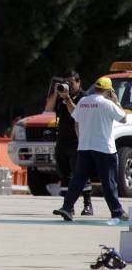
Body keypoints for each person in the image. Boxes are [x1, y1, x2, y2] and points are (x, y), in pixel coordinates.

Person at [54, 77, 129, 221]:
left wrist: (67, 99)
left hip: (85, 147)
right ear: (109, 91)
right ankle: (117, 211)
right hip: (104, 149)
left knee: (78, 180)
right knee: (108, 182)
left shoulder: (83, 101)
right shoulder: (108, 104)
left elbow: (74, 114)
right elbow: (123, 119)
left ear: (95, 88)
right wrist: (116, 101)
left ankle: (67, 208)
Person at [44, 70, 92, 214]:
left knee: (80, 172)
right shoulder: (61, 95)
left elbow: (77, 114)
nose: (69, 86)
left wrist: (67, 99)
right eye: (67, 83)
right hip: (62, 140)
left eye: (71, 83)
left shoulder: (84, 98)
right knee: (64, 173)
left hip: (77, 140)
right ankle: (68, 206)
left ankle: (87, 204)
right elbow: (48, 108)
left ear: (79, 82)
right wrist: (55, 91)